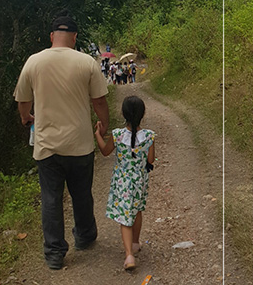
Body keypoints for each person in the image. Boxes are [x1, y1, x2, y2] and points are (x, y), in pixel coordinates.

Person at [14, 15, 110, 270]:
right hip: (80, 143)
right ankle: (85, 237)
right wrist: (104, 124)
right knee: (81, 193)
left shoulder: (34, 61)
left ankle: (55, 253)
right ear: (75, 37)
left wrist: (27, 118)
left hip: (47, 147)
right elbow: (99, 100)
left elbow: (23, 100)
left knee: (50, 198)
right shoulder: (86, 62)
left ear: (51, 36)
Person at [94, 95, 155, 271]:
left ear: (123, 113)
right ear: (142, 114)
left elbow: (105, 151)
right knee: (136, 211)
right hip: (140, 181)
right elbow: (151, 160)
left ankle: (129, 255)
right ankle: (135, 243)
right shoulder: (150, 136)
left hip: (122, 182)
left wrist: (98, 134)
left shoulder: (117, 135)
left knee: (124, 217)